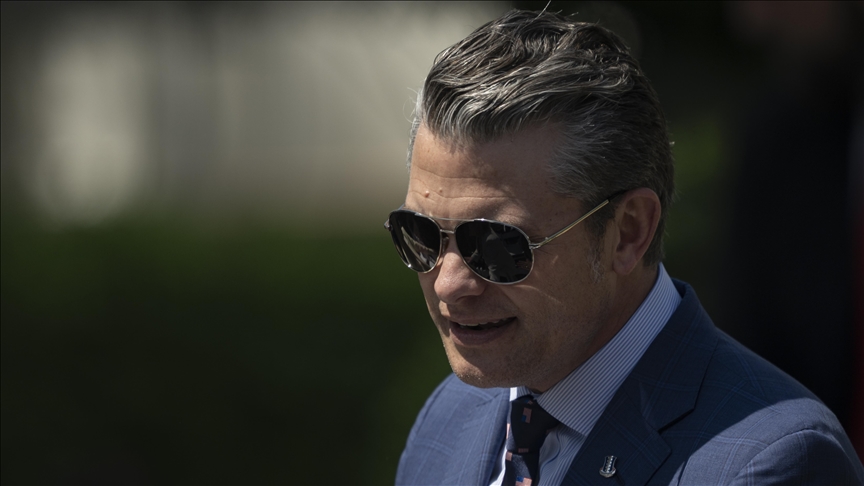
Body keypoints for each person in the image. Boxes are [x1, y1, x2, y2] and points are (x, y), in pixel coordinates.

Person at [386, 9, 864, 486]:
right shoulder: (448, 420)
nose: (449, 283)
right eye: (420, 234)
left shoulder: (773, 462)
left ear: (629, 232)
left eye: (496, 245)